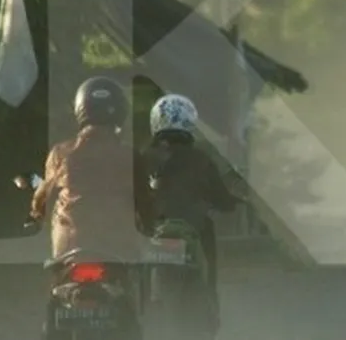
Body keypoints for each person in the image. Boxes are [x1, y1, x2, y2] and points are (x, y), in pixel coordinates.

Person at [29, 76, 153, 326]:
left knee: (54, 301)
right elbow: (146, 204)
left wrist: (35, 216)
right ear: (119, 110)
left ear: (79, 109)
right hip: (118, 250)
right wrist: (150, 226)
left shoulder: (61, 153)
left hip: (69, 250)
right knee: (130, 309)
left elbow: (42, 199)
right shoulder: (130, 156)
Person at [141, 93, 241, 331]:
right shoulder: (202, 158)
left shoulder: (144, 157)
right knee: (208, 272)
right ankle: (210, 309)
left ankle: (140, 306)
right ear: (190, 122)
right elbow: (222, 198)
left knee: (135, 272)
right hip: (194, 231)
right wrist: (231, 202)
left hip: (152, 232)